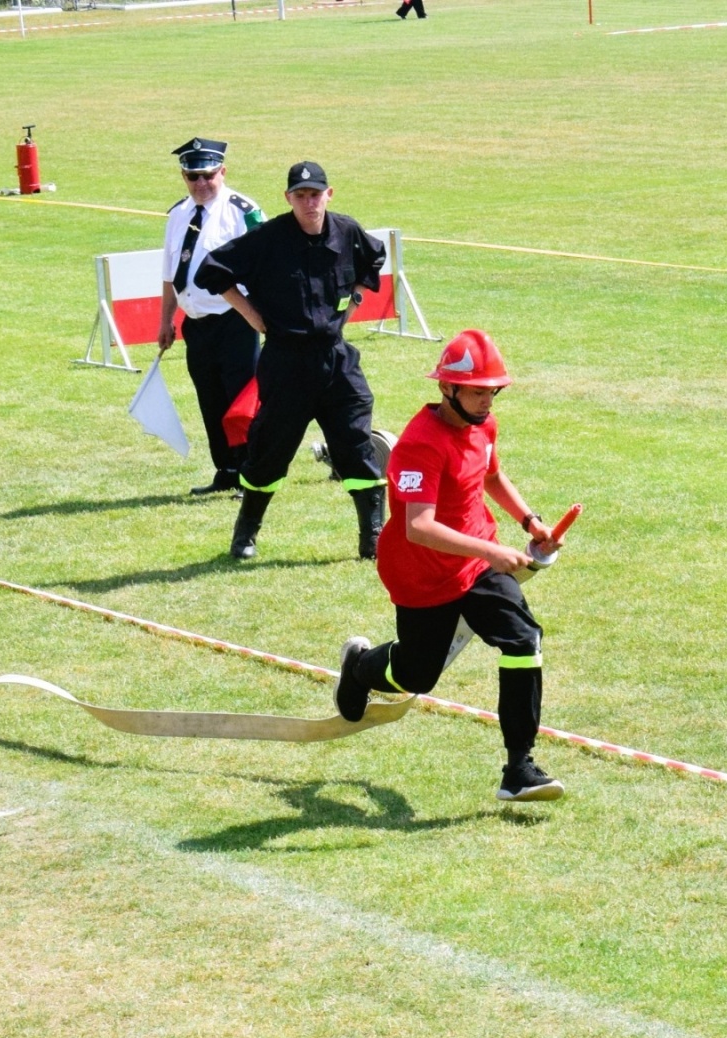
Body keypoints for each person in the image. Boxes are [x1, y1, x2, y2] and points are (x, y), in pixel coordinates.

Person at [333, 330, 567, 802]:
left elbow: (491, 475)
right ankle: (360, 668)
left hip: (476, 564)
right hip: (422, 576)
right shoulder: (419, 445)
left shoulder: (484, 425)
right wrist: (492, 553)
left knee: (524, 639)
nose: (487, 401)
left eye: (492, 391)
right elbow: (419, 527)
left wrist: (530, 521)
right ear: (447, 388)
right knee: (416, 676)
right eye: (477, 391)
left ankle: (519, 769)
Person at [194, 161, 389, 561]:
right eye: (300, 196)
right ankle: (245, 534)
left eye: (315, 195)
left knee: (356, 445)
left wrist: (352, 301)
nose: (309, 203)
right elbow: (212, 271)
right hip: (286, 362)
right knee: (269, 450)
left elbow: (373, 259)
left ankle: (373, 538)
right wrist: (251, 316)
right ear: (288, 198)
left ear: (329, 194)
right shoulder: (268, 238)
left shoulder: (347, 231)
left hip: (337, 360)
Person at [158, 138, 265, 497]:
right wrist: (166, 320)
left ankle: (251, 473)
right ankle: (226, 470)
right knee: (211, 400)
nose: (201, 183)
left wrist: (260, 318)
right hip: (197, 324)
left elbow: (264, 268)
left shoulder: (243, 211)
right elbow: (170, 273)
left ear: (223, 172)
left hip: (236, 321)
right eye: (193, 176)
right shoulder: (178, 214)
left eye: (208, 175)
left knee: (242, 402)